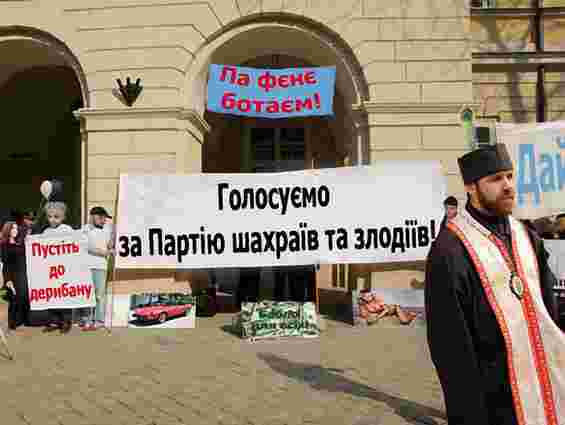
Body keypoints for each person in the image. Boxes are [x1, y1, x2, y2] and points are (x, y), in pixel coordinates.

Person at [425, 143, 563, 425]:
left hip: (544, 384)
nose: (508, 186)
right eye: (496, 179)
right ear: (471, 188)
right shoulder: (450, 249)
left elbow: (550, 309)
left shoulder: (526, 235)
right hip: (493, 396)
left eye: (510, 176)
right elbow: (450, 346)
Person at [41, 201, 74, 334]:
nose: (52, 220)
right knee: (52, 295)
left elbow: (75, 244)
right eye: (49, 216)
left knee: (64, 295)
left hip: (64, 269)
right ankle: (54, 321)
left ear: (63, 217)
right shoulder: (46, 231)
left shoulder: (67, 229)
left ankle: (66, 321)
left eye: (56, 217)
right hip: (51, 270)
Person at [79, 206, 112, 331]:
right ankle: (87, 320)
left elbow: (109, 245)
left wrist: (111, 245)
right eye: (102, 218)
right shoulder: (84, 229)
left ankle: (99, 321)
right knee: (87, 294)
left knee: (99, 296)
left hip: (101, 266)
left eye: (105, 218)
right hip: (87, 266)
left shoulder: (108, 229)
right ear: (93, 216)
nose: (104, 220)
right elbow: (87, 247)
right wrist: (104, 252)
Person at [0, 221, 30, 330]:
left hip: (23, 273)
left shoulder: (20, 243)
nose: (15, 231)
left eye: (16, 228)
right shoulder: (4, 245)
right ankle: (12, 322)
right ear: (8, 230)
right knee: (14, 298)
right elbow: (5, 264)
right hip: (13, 275)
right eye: (13, 228)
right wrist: (8, 280)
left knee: (24, 296)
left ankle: (23, 320)